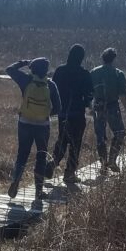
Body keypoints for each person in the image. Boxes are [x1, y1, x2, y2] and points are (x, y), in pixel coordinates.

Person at [4, 58, 63, 201]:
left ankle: (16, 179)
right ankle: (38, 191)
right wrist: (45, 114)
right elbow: (58, 108)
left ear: (32, 69)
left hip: (24, 122)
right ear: (47, 70)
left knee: (22, 154)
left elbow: (9, 69)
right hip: (42, 125)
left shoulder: (25, 80)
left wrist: (24, 62)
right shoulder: (51, 85)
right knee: (41, 156)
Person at [49, 44, 94, 185]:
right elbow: (89, 95)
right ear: (82, 58)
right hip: (78, 114)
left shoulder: (60, 71)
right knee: (75, 144)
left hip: (63, 113)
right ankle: (69, 173)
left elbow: (52, 90)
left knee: (62, 141)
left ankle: (51, 164)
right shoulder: (84, 74)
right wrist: (88, 104)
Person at [89, 47, 126, 172]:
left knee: (100, 136)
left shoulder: (94, 72)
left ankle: (103, 164)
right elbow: (122, 95)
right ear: (114, 59)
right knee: (119, 133)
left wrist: (90, 106)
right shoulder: (118, 74)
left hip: (98, 106)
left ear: (102, 58)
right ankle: (112, 160)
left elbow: (90, 91)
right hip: (113, 106)